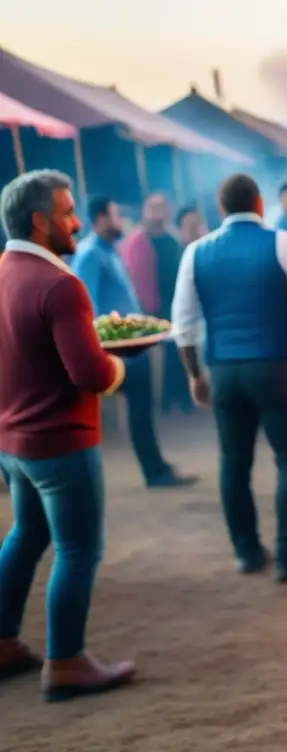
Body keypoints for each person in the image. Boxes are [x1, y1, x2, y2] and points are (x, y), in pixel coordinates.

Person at [0, 170, 136, 700]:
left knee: (26, 537)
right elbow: (91, 374)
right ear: (39, 221)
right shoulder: (61, 284)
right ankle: (66, 663)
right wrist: (120, 366)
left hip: (14, 441)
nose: (77, 222)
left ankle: (3, 643)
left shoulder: (5, 270)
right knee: (79, 549)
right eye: (66, 211)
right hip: (61, 440)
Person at [171, 174, 287, 580]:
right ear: (260, 203)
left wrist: (195, 374)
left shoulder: (196, 252)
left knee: (233, 462)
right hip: (275, 366)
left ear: (220, 206)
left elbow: (184, 324)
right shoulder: (284, 243)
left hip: (225, 371)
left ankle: (247, 552)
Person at [72, 197, 195, 489]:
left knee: (142, 402)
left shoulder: (109, 251)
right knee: (139, 401)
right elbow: (84, 304)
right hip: (112, 349)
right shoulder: (90, 254)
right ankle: (154, 470)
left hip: (127, 345)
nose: (121, 222)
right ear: (101, 218)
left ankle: (156, 467)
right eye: (116, 216)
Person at [122, 193, 192, 414]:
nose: (158, 213)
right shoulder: (138, 241)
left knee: (177, 353)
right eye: (154, 208)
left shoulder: (172, 241)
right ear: (146, 212)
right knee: (156, 357)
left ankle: (180, 398)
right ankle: (161, 401)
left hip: (173, 304)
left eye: (162, 208)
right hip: (147, 308)